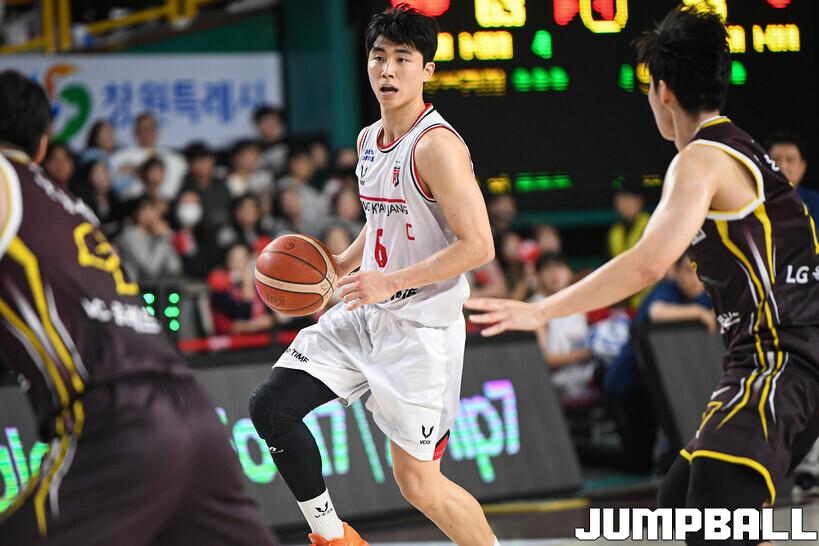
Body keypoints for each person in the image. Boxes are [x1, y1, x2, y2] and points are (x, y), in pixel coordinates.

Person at [467, 6, 819, 546]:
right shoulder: (743, 149)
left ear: (663, 92)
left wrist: (542, 309)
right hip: (772, 361)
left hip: (779, 364)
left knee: (711, 522)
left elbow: (647, 264)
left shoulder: (700, 159)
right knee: (678, 502)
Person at [248, 6, 497, 546]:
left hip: (421, 334)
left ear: (427, 70)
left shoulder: (437, 147)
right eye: (379, 57)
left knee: (420, 486)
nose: (388, 69)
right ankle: (333, 537)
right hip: (366, 312)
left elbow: (478, 245)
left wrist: (390, 280)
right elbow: (383, 215)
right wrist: (344, 262)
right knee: (271, 407)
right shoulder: (368, 140)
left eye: (403, 59)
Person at [0, 70, 278, 546]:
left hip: (118, 418)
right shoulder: (70, 205)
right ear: (43, 146)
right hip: (195, 412)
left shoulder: (7, 181)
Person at [110, 112, 187, 200]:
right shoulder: (119, 157)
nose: (147, 133)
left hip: (164, 203)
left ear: (157, 132)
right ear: (135, 132)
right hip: (130, 203)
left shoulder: (173, 158)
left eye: (150, 129)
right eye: (142, 129)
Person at [116, 196, 182, 283]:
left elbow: (175, 267)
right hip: (131, 287)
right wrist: (162, 239)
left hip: (154, 287)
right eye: (151, 210)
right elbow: (150, 270)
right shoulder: (130, 236)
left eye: (156, 211)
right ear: (139, 214)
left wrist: (167, 238)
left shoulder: (155, 236)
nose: (156, 215)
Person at [767, 132, 819, 225]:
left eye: (790, 160)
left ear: (802, 167)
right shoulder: (753, 199)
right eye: (775, 159)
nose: (782, 166)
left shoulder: (815, 202)